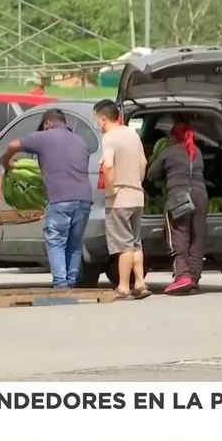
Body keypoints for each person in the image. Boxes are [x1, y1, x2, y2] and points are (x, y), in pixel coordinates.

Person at [1, 109, 92, 288]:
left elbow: (13, 145)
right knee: (74, 244)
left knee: (56, 240)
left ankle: (60, 284)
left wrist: (7, 163)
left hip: (60, 198)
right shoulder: (80, 141)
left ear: (47, 124)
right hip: (84, 198)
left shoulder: (45, 137)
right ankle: (70, 284)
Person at [93, 99, 151, 300]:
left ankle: (124, 286)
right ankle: (141, 284)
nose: (97, 125)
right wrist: (137, 182)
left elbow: (108, 166)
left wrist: (111, 190)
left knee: (123, 244)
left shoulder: (109, 138)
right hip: (137, 196)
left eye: (96, 120)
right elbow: (143, 162)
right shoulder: (132, 134)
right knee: (136, 243)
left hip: (120, 198)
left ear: (102, 119)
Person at [147, 122, 208, 295]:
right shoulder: (197, 152)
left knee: (178, 235)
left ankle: (182, 275)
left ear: (172, 137)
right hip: (200, 195)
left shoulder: (168, 151)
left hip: (178, 196)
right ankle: (194, 278)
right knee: (197, 237)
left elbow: (152, 174)